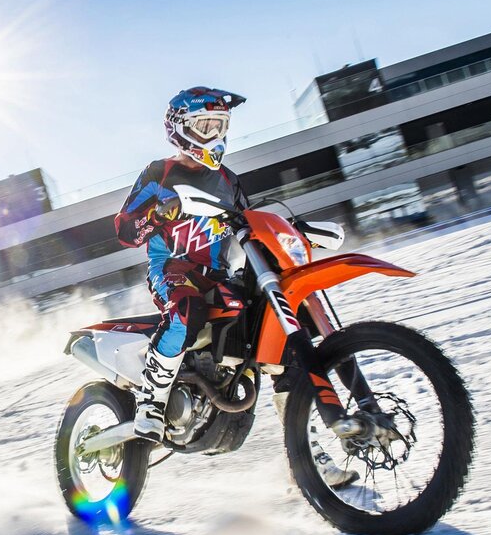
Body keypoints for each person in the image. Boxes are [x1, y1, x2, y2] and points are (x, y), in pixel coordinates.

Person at [114, 86, 358, 487]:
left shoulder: (227, 180)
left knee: (283, 340)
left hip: (218, 274)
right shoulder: (160, 173)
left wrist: (298, 233)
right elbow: (124, 230)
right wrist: (159, 212)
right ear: (180, 129)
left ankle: (306, 453)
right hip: (173, 270)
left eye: (219, 125)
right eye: (204, 126)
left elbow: (251, 223)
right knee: (185, 312)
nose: (212, 134)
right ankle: (151, 403)